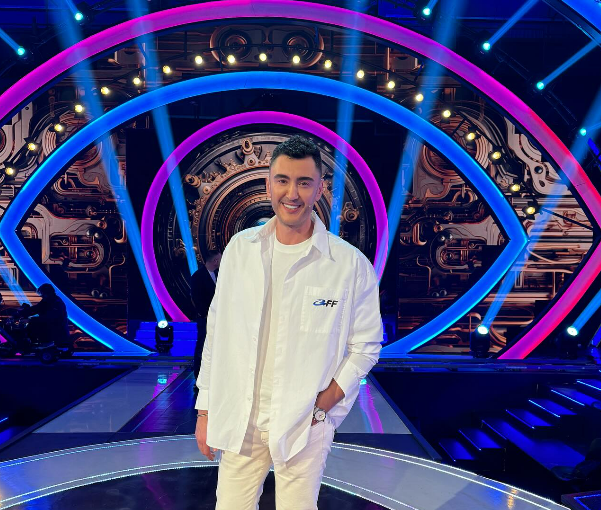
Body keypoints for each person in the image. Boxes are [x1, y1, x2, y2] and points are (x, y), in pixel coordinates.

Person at [194, 135, 382, 509]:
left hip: (303, 422)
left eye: (303, 182)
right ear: (268, 185)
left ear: (320, 188)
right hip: (242, 418)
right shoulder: (240, 251)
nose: (291, 193)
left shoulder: (348, 265)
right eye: (282, 180)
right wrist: (205, 409)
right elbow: (217, 332)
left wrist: (325, 403)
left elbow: (366, 345)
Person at [190, 250, 222, 386]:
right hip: (205, 318)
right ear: (215, 261)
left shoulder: (219, 274)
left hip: (218, 318)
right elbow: (196, 299)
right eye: (220, 259)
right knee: (202, 346)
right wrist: (206, 314)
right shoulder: (198, 276)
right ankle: (198, 377)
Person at [17, 283, 69, 347]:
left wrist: (30, 320)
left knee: (33, 325)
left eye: (43, 294)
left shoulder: (56, 302)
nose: (42, 296)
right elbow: (37, 308)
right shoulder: (48, 300)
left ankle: (43, 344)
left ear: (46, 293)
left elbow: (49, 318)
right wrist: (20, 313)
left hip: (56, 331)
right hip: (51, 328)